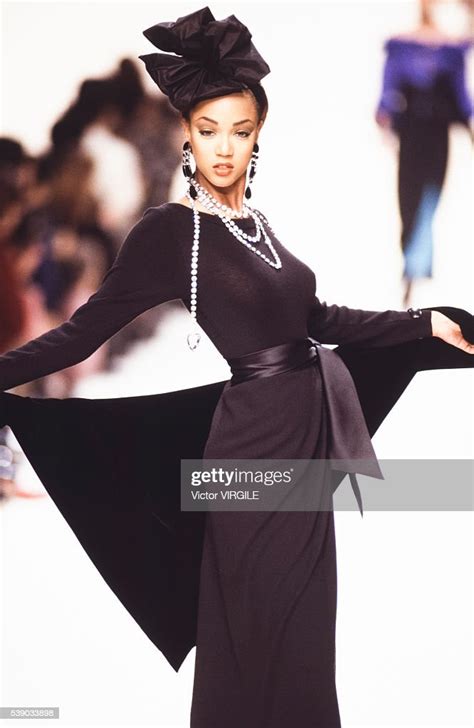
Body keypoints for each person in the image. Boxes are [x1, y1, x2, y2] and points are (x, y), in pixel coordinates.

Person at [1, 7, 473, 727]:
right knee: (260, 626)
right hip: (249, 455)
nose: (225, 148)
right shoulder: (169, 234)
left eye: (241, 131)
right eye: (209, 129)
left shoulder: (258, 226)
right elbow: (78, 335)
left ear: (258, 136)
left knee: (304, 633)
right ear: (187, 134)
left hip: (306, 441)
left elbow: (320, 323)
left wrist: (424, 323)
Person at [375, 0, 473, 306]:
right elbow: (388, 91)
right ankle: (412, 271)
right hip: (413, 135)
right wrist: (384, 119)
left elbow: (461, 95)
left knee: (428, 198)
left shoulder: (450, 50)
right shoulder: (402, 45)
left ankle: (416, 270)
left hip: (435, 135)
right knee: (411, 199)